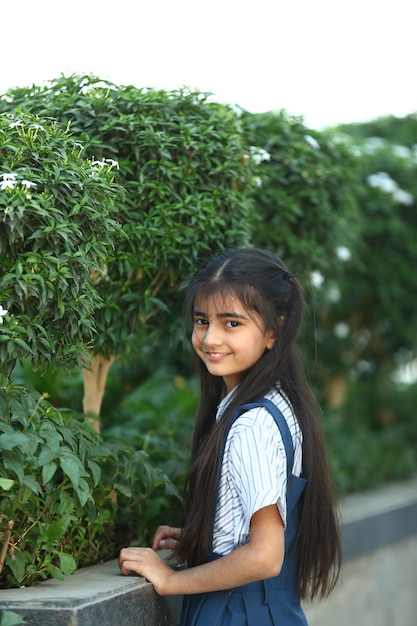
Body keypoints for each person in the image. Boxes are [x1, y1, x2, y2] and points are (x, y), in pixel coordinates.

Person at [119, 248, 341, 625]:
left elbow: (264, 556)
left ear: (274, 331)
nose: (209, 338)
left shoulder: (252, 424)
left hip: (235, 613)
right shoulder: (277, 403)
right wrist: (204, 536)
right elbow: (258, 526)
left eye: (232, 323)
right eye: (202, 320)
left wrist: (171, 579)